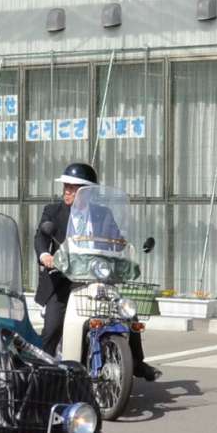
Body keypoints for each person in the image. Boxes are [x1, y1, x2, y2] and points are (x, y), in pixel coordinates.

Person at [34, 161, 159, 380]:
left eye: (73, 187)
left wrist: (126, 250)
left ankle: (137, 362)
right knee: (53, 325)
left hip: (96, 276)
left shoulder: (103, 214)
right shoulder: (52, 211)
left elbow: (116, 239)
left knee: (127, 311)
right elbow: (41, 236)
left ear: (88, 192)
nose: (67, 191)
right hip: (64, 278)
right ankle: (40, 371)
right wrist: (45, 255)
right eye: (66, 186)